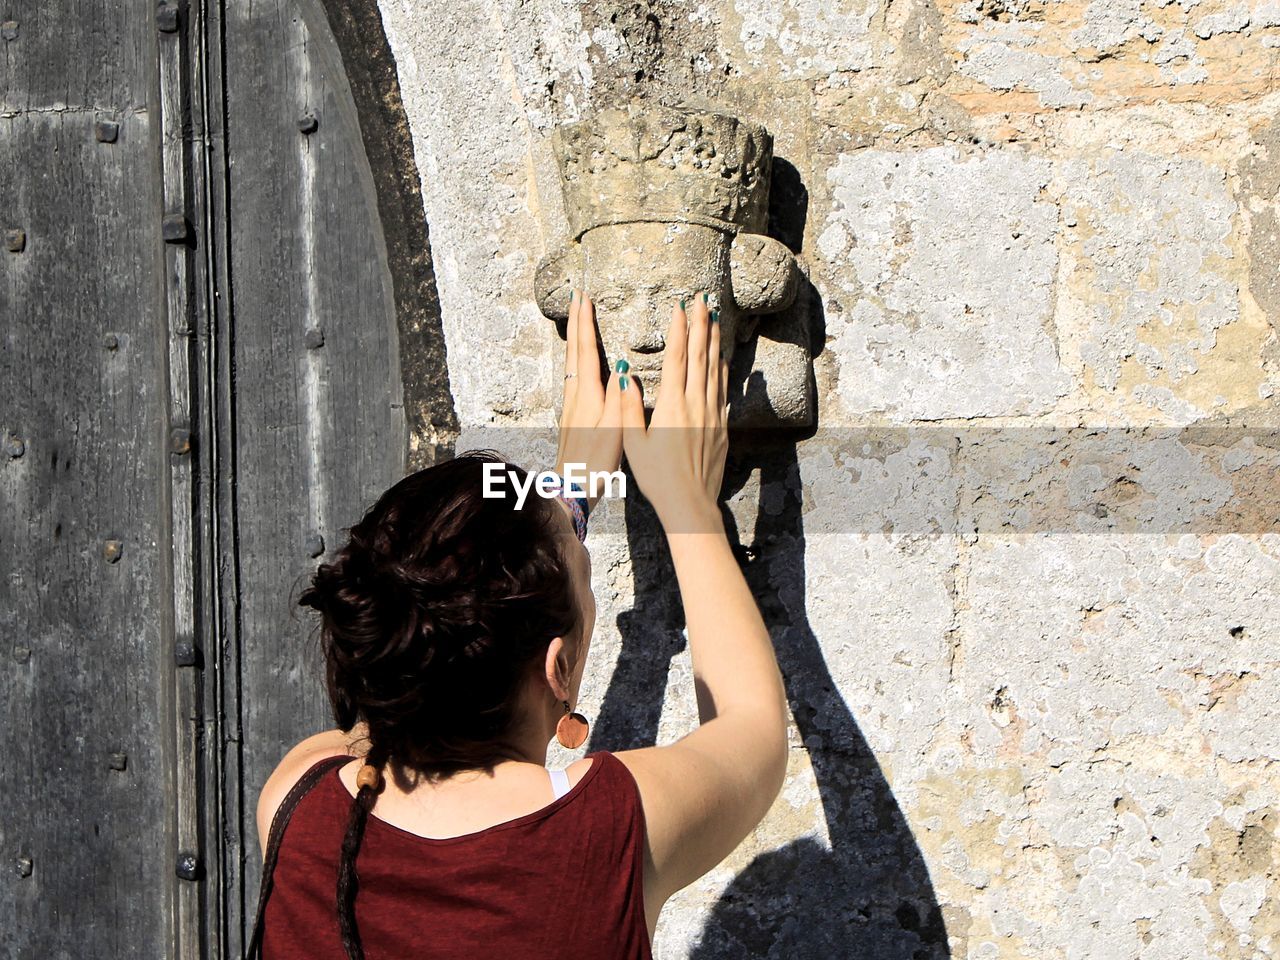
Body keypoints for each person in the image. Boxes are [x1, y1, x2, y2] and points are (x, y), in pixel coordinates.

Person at [253, 291, 789, 959]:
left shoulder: (298, 800)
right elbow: (754, 730)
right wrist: (686, 501)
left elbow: (393, 684)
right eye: (586, 579)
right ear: (557, 667)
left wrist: (561, 504)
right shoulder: (611, 830)